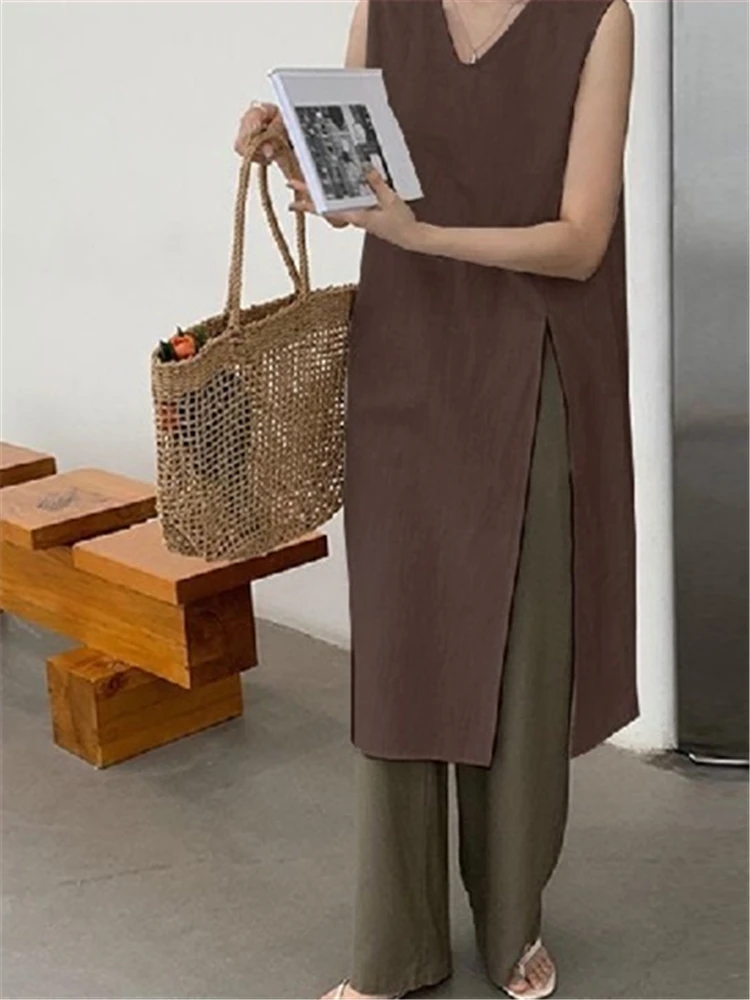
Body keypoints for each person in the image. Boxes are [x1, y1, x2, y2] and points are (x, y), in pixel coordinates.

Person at [234, 0, 636, 997]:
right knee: (402, 644)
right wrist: (291, 156)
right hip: (405, 349)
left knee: (523, 647)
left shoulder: (600, 19)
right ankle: (395, 947)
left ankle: (511, 918)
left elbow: (582, 241)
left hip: (535, 354)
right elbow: (351, 194)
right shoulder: (384, 10)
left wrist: (422, 233)